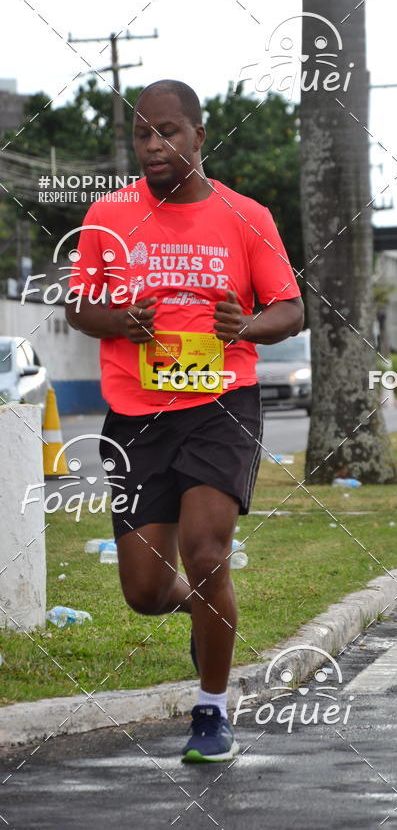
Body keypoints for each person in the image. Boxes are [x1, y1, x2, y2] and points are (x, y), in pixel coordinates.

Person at [65, 80, 304, 762]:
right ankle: (201, 610)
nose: (154, 146)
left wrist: (248, 324)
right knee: (143, 591)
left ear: (200, 135)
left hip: (221, 406)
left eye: (168, 132)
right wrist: (120, 320)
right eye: (142, 134)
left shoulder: (246, 216)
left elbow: (290, 310)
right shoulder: (109, 215)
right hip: (137, 417)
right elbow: (80, 307)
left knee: (206, 552)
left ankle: (212, 709)